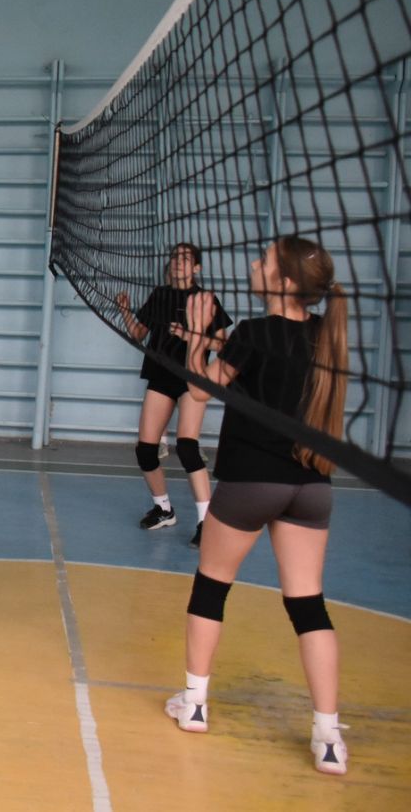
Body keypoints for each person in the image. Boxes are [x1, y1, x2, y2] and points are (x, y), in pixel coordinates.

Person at [166, 235, 349, 776]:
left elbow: (201, 391)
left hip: (250, 483)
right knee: (308, 605)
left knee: (211, 587)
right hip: (311, 487)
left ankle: (195, 705)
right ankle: (328, 738)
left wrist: (197, 338)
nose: (254, 262)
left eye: (263, 259)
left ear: (284, 282)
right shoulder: (326, 336)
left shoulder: (253, 333)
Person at [114, 243, 231, 545]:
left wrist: (191, 336)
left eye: (186, 258)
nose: (178, 262)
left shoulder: (205, 300)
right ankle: (164, 509)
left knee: (187, 448)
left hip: (192, 378)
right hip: (160, 375)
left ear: (196, 268)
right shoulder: (160, 295)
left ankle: (206, 522)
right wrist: (125, 310)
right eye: (175, 257)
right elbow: (138, 334)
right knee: (145, 450)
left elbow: (222, 344)